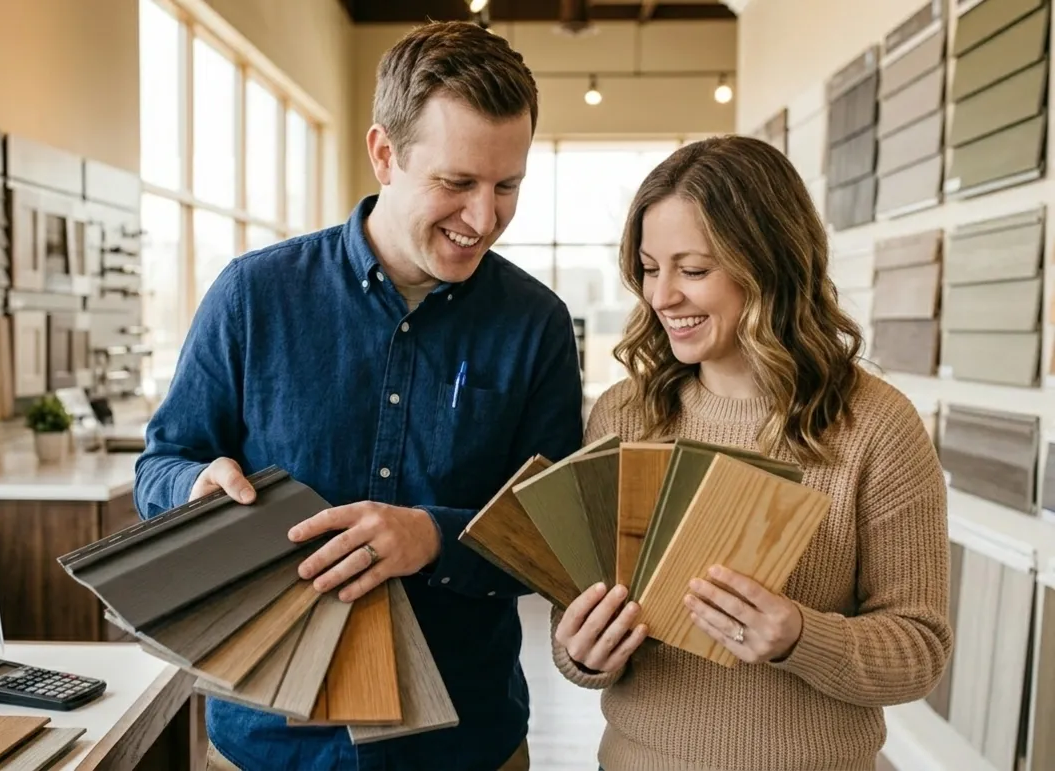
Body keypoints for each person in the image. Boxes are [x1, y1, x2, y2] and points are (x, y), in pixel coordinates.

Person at [133, 20, 584, 771]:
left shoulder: (536, 324)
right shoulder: (252, 295)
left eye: (507, 186)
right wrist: (193, 487)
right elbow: (160, 466)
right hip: (267, 743)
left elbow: (556, 539)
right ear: (384, 154)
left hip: (464, 745)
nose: (484, 219)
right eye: (456, 183)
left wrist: (432, 537)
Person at [549, 135, 952, 771]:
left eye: (694, 270)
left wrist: (799, 636)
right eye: (650, 269)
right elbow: (573, 616)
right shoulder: (624, 415)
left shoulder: (877, 426)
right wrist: (582, 652)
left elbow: (920, 651)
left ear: (769, 264)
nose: (661, 297)